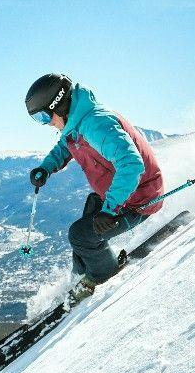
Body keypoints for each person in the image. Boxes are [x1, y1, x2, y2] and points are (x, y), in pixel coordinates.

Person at [25, 73, 164, 299]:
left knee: (81, 235)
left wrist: (110, 210)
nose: (46, 123)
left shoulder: (96, 124)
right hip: (126, 193)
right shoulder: (76, 123)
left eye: (43, 117)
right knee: (86, 223)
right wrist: (46, 168)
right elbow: (64, 147)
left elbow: (131, 164)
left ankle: (104, 277)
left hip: (141, 199)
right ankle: (82, 275)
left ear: (58, 106)